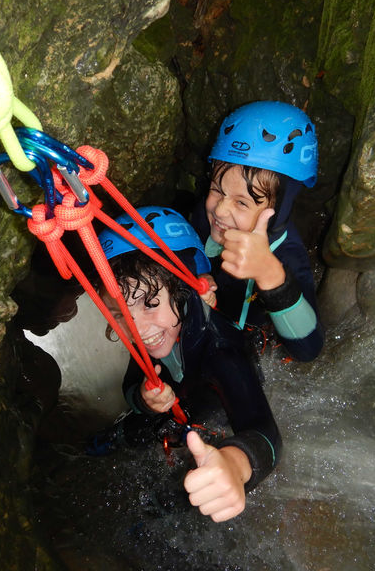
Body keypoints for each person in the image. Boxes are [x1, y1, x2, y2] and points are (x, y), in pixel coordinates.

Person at [95, 206, 282, 523]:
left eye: (150, 303)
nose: (136, 329)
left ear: (185, 289)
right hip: (181, 400)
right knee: (143, 425)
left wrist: (236, 465)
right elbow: (130, 387)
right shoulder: (146, 331)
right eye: (119, 314)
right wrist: (143, 398)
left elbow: (264, 431)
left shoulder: (220, 350)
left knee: (176, 495)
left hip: (214, 406)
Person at [192, 100, 324, 362]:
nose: (219, 210)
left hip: (250, 346)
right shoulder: (205, 215)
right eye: (217, 189)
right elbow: (190, 241)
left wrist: (270, 275)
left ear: (280, 209)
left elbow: (309, 350)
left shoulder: (288, 256)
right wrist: (200, 273)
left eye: (242, 202)